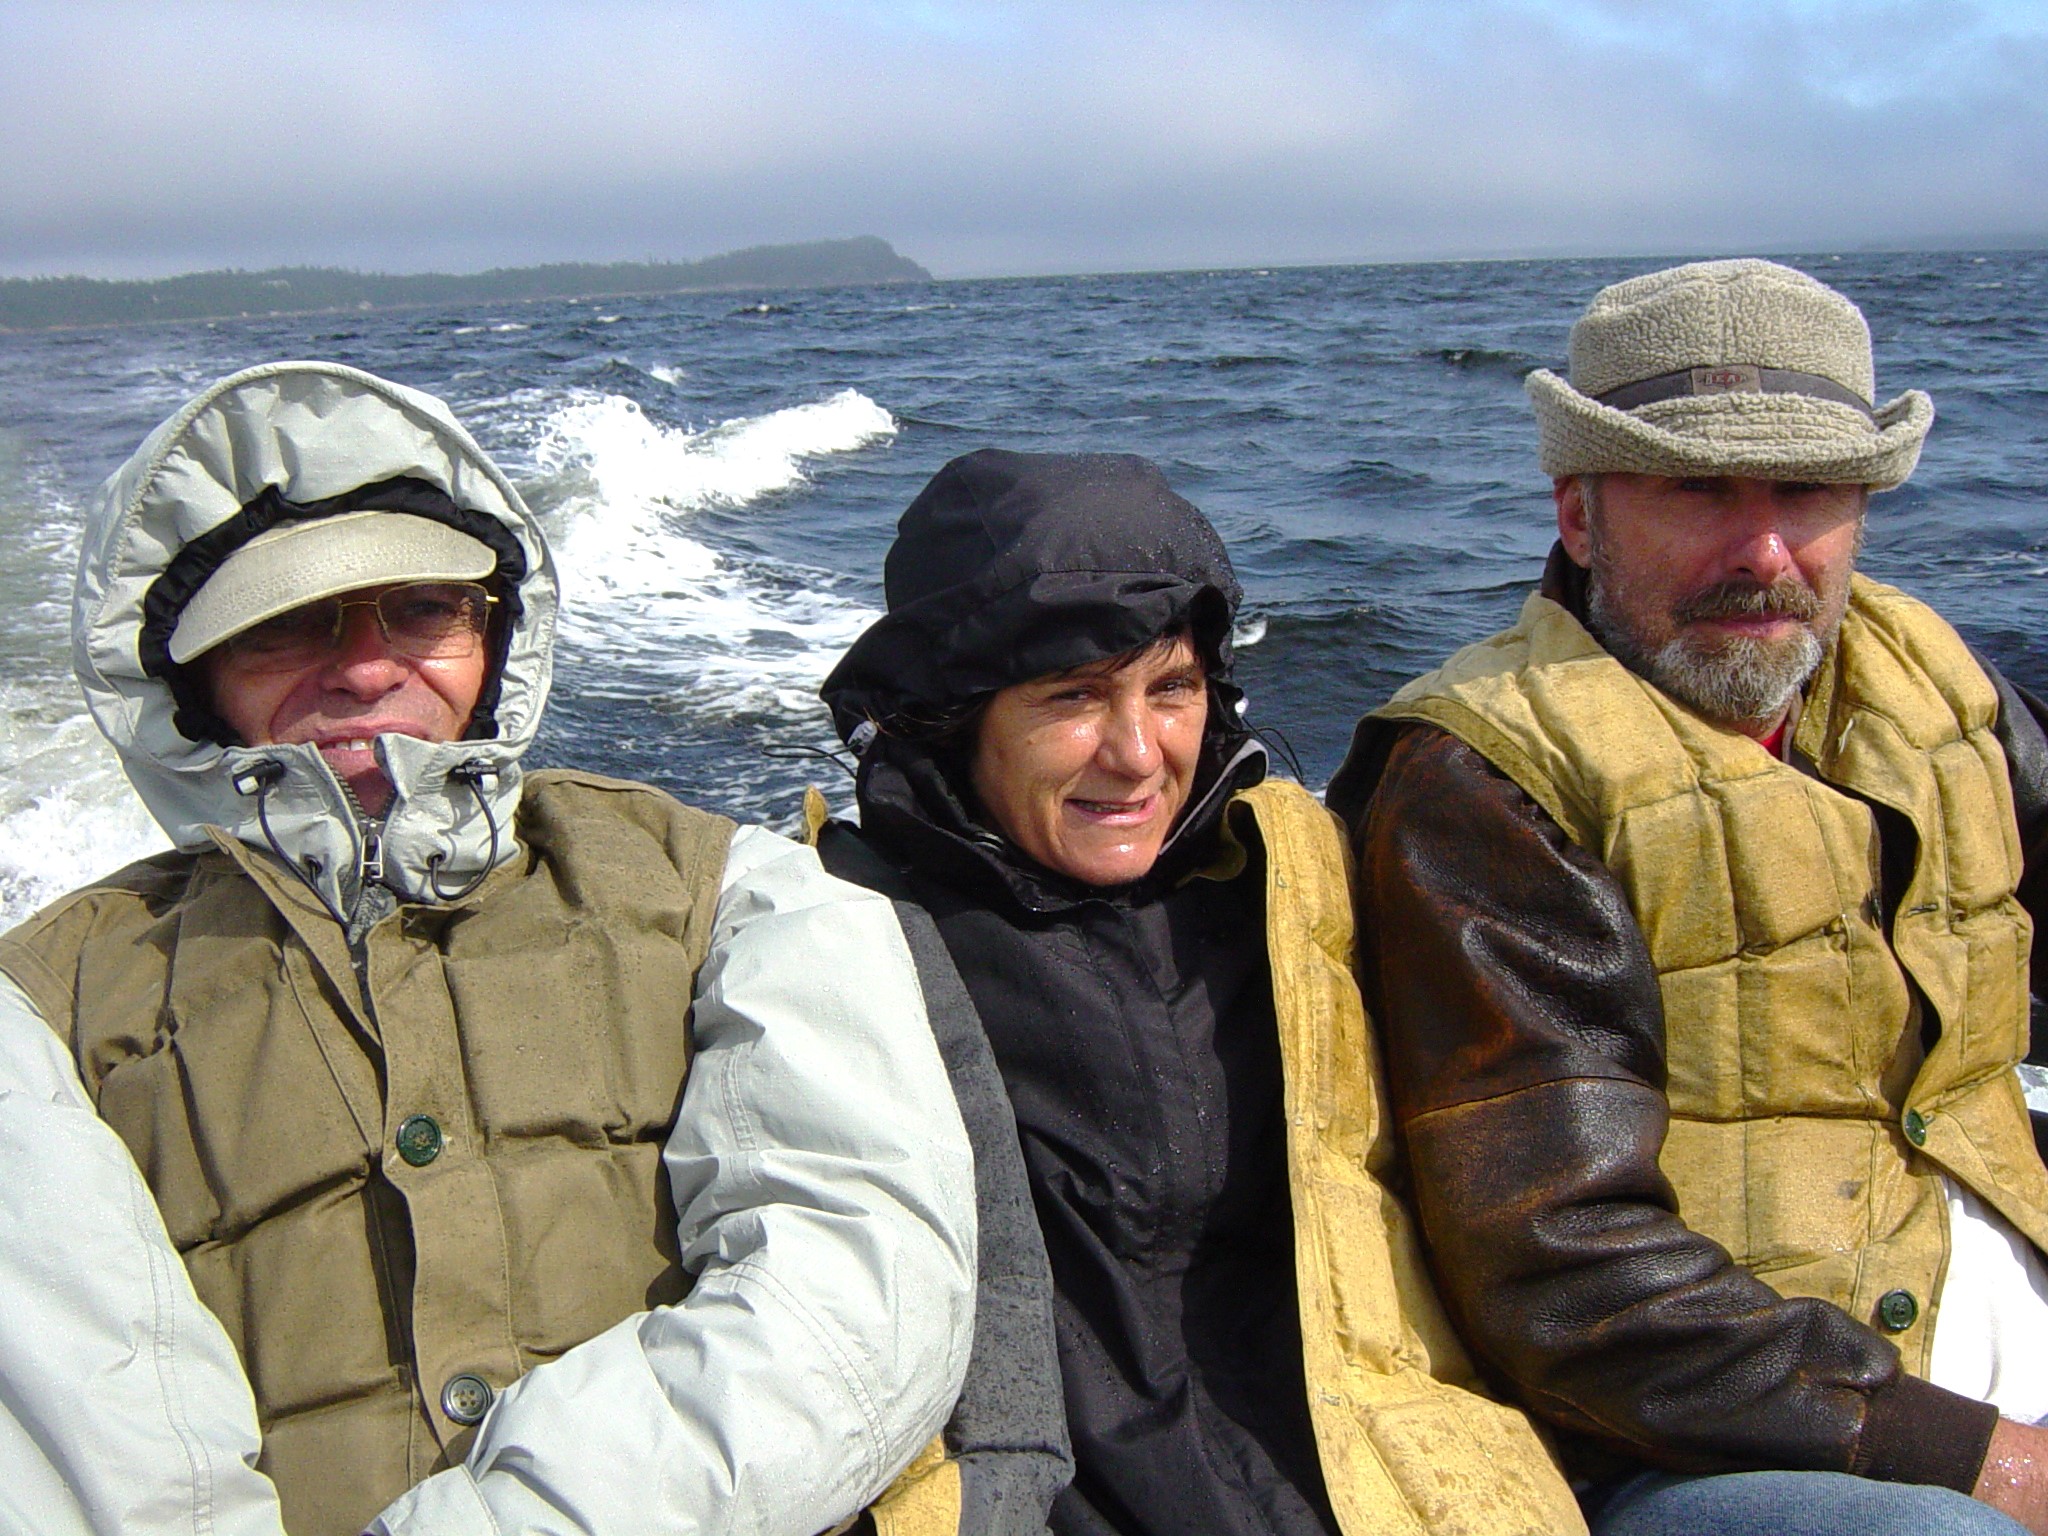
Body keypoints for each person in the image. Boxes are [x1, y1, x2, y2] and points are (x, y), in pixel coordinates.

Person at [0, 360, 978, 1536]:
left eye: (423, 610)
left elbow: (854, 1292)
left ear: (494, 635)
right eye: (285, 624)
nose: (367, 666)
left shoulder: (733, 892)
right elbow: (72, 1432)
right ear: (193, 684)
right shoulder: (43, 1005)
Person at [1326, 259, 2048, 1536]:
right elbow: (1563, 1276)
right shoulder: (1484, 779)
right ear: (1579, 516)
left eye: (1805, 492)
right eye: (1698, 490)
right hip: (1715, 1436)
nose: (1762, 553)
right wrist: (1987, 1462)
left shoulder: (1930, 682)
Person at [815, 448, 1584, 1536]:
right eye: (1073, 696)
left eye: (1171, 688)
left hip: (1397, 1482)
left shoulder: (1301, 882)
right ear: (952, 713)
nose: (1138, 754)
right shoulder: (841, 948)